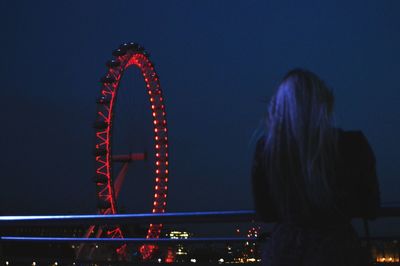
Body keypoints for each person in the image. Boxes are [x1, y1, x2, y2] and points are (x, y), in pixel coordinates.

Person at [251, 69, 380, 266]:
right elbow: (370, 207)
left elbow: (266, 212)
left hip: (286, 251)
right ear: (324, 103)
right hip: (338, 249)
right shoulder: (352, 144)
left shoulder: (266, 149)